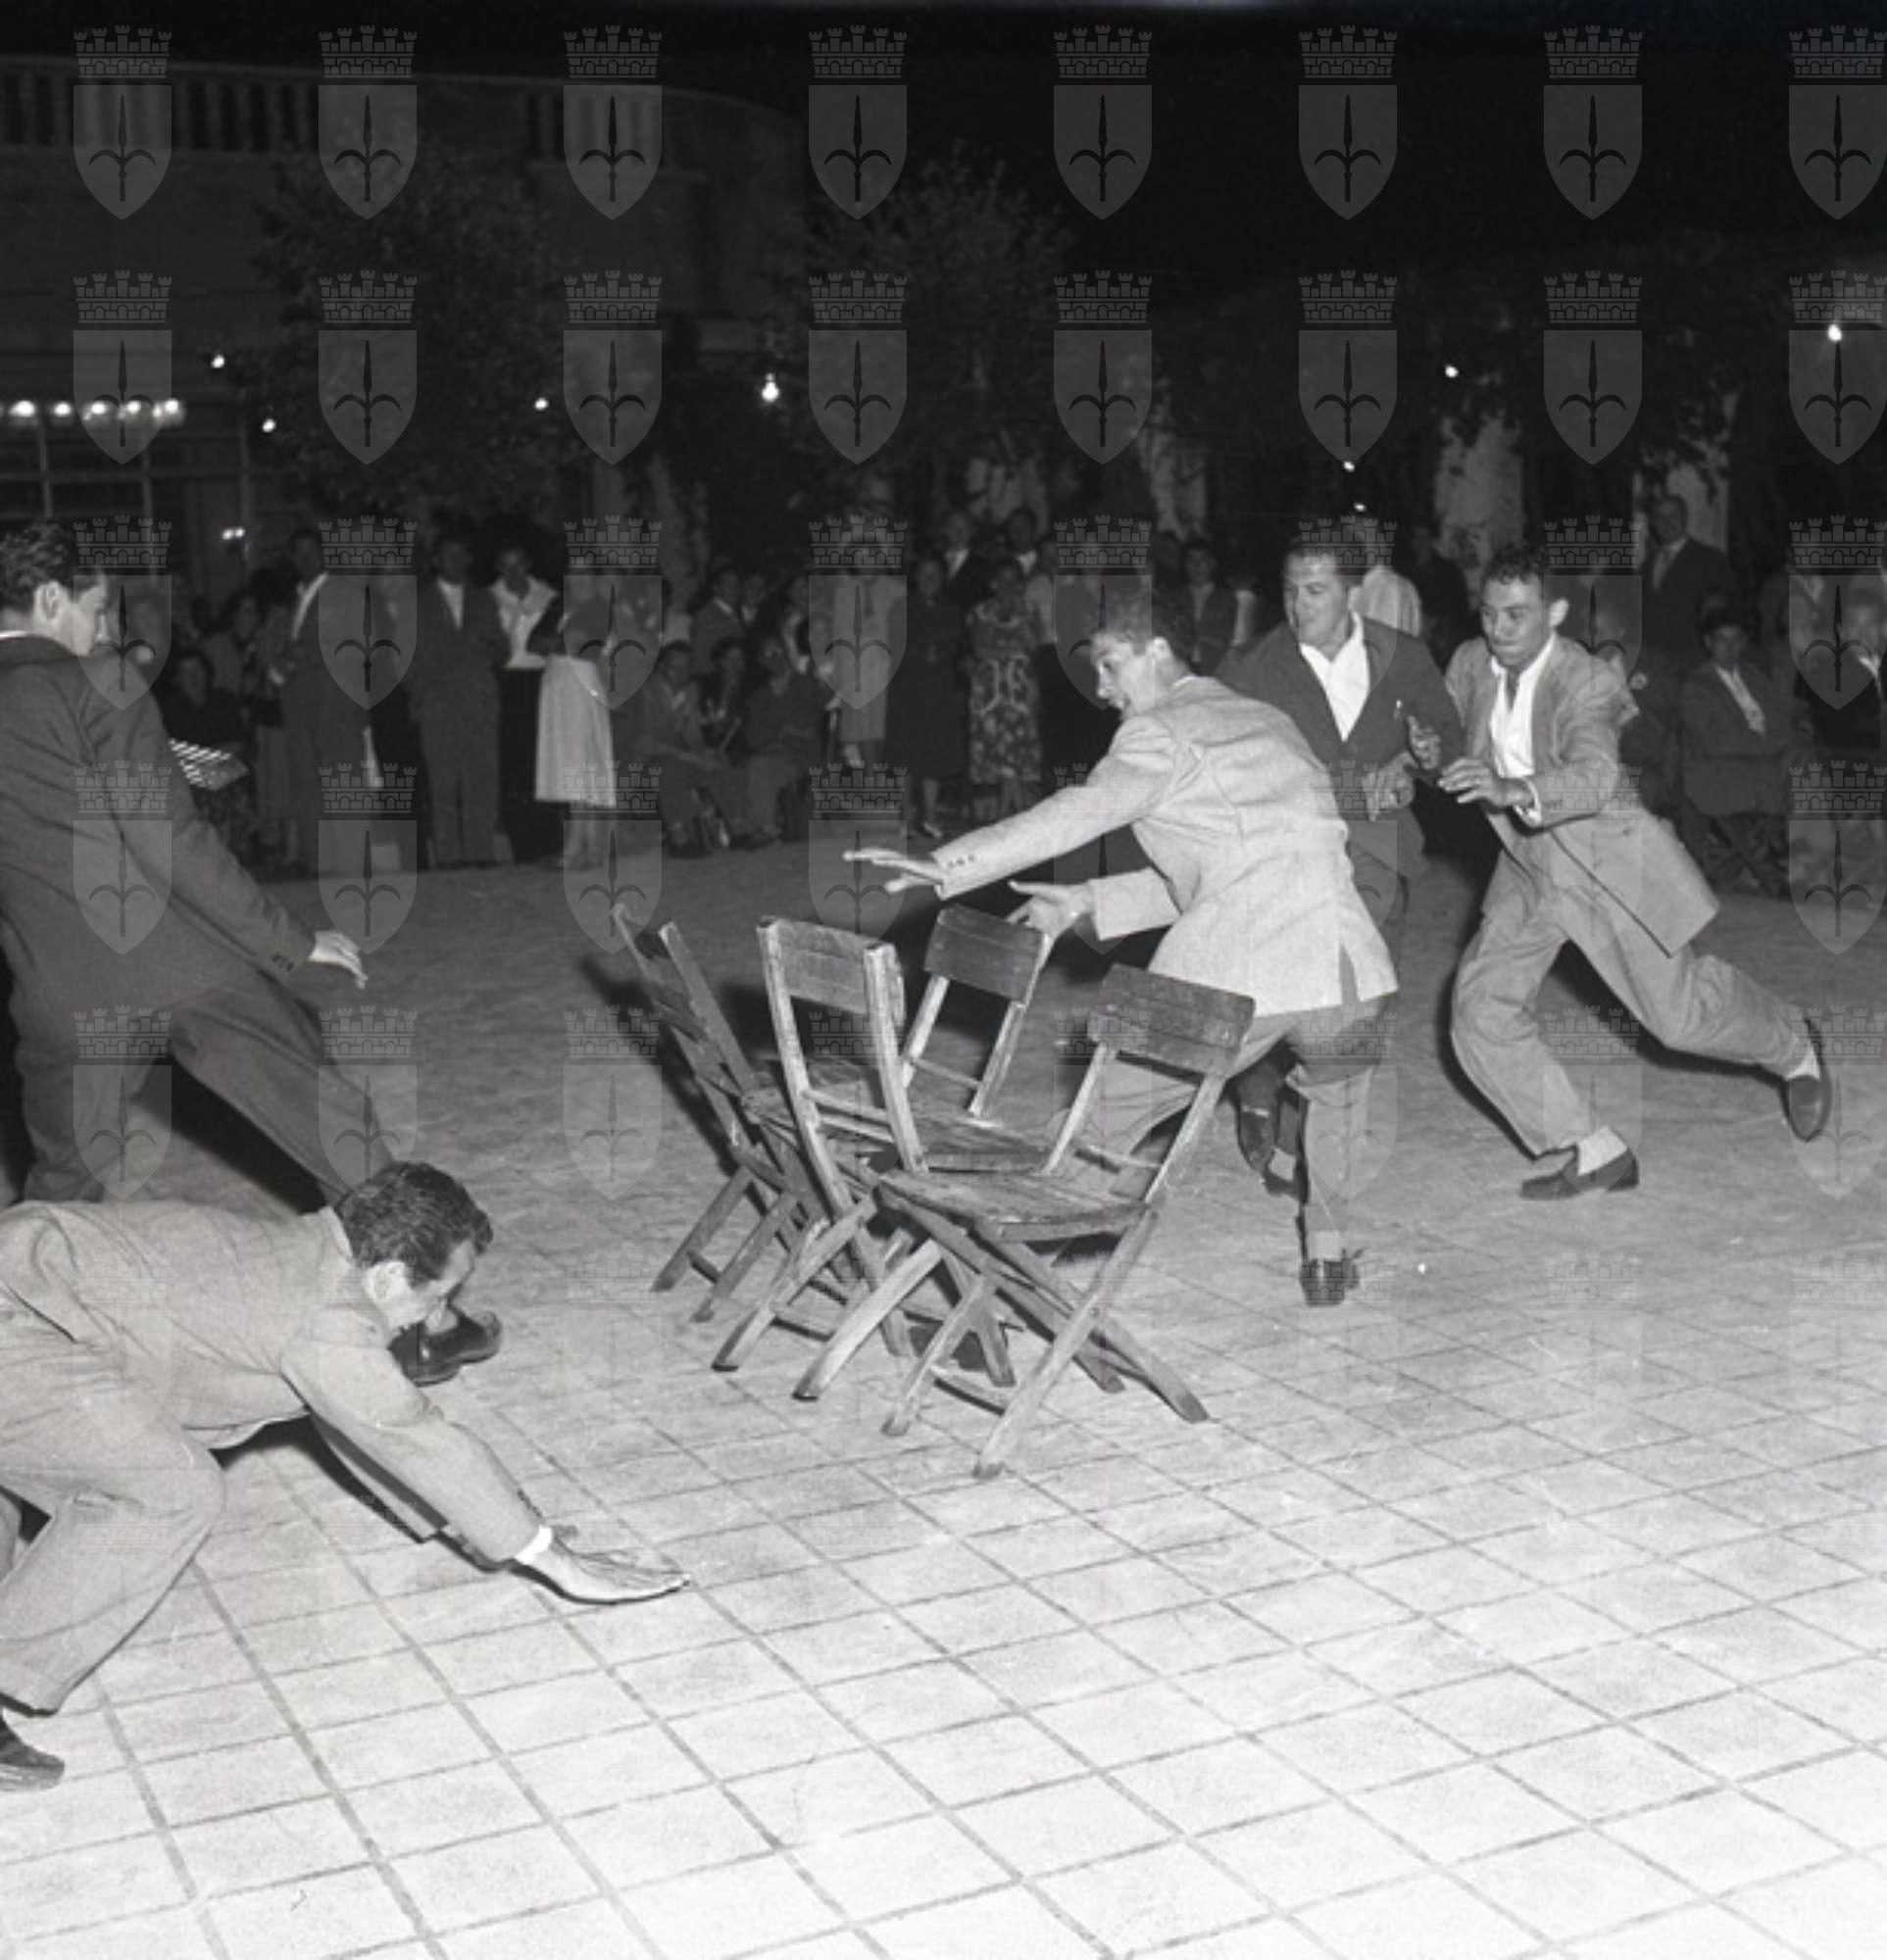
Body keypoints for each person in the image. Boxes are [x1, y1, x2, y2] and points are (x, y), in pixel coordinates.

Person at [0, 1162, 687, 1790]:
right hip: (18, 1318)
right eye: (438, 1296)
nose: (437, 1318)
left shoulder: (312, 1254)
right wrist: (555, 1561)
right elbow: (406, 1430)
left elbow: (355, 1419)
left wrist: (500, 1529)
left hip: (27, 1285)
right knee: (169, 1490)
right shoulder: (328, 1316)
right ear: (386, 1278)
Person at [0, 521, 499, 1387]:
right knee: (339, 1133)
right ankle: (420, 1328)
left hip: (59, 988)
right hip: (183, 967)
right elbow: (169, 843)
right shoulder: (98, 681)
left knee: (62, 1190)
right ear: (49, 599)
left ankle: (24, 1354)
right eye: (96, 609)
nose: (107, 630)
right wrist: (291, 941)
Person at [854, 623, 1397, 1306]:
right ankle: (1327, 1258)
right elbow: (1240, 865)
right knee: (1338, 1104)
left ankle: (996, 1277)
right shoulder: (1267, 720)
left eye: (1110, 665)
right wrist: (1086, 900)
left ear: (1158, 648)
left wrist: (949, 864)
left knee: (1104, 1121)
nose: (1102, 689)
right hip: (1347, 968)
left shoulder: (1158, 732)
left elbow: (1077, 812)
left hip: (1235, 976)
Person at [1435, 541, 1829, 1199]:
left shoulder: (1587, 679)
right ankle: (1594, 1150)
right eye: (1489, 613)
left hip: (1605, 864)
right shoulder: (1470, 662)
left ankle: (1794, 1044)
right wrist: (1426, 750)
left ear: (1555, 612)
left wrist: (1514, 789)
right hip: (1529, 867)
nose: (1498, 630)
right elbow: (1444, 735)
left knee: (1679, 1020)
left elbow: (1594, 775)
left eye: (1516, 615)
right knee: (1478, 1010)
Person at [1217, 535, 1465, 1194]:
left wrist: (1420, 758)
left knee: (1365, 1001)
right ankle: (1281, 1121)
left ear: (1353, 592)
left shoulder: (1403, 656)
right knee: (1297, 995)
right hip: (1289, 855)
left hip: (1379, 852)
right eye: (1289, 589)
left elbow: (1448, 739)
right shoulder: (1249, 667)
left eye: (1315, 590)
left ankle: (1307, 1139)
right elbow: (1223, 762)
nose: (1298, 605)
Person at [264, 527, 369, 876]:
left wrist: (295, 655)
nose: (306, 559)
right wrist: (280, 664)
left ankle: (351, 863)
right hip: (299, 702)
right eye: (299, 553)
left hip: (334, 698)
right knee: (306, 780)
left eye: (312, 552)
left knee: (342, 776)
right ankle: (319, 861)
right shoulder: (293, 599)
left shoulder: (342, 591)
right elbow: (277, 648)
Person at [1677, 600, 1797, 896]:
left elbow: (1781, 721)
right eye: (1721, 640)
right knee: (1755, 785)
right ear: (1708, 643)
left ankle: (1797, 859)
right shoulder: (1696, 686)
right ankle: (1773, 874)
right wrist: (1766, 745)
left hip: (1761, 763)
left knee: (1802, 764)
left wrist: (1773, 744)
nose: (1729, 648)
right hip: (1714, 769)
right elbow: (1716, 740)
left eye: (1736, 640)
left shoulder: (1756, 677)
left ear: (1744, 642)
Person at [410, 533, 507, 868]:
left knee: (482, 780)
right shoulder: (417, 602)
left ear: (469, 559)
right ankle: (449, 858)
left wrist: (493, 648)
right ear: (436, 560)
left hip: (478, 700)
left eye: (461, 555)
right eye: (448, 555)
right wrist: (422, 693)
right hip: (438, 702)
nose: (455, 562)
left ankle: (480, 854)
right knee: (443, 783)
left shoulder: (484, 599)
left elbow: (503, 650)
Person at [622, 641, 758, 856]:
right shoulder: (645, 692)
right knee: (669, 772)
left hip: (678, 756)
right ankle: (679, 837)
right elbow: (644, 742)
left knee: (718, 767)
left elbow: (692, 733)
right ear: (662, 668)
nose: (682, 673)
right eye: (676, 667)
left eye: (687, 667)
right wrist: (689, 756)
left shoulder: (691, 690)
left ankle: (738, 829)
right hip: (642, 761)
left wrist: (705, 753)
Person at [885, 550, 969, 839]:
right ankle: (905, 818)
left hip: (939, 690)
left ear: (943, 577)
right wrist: (922, 652)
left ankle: (930, 816)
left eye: (936, 574)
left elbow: (956, 646)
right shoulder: (901, 608)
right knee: (906, 754)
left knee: (934, 754)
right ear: (915, 577)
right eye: (924, 574)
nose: (930, 579)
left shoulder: (952, 610)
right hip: (907, 689)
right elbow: (893, 646)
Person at [490, 542, 560, 867]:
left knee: (543, 760)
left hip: (541, 680)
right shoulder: (488, 597)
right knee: (513, 764)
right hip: (505, 681)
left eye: (518, 564)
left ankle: (550, 840)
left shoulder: (548, 596)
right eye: (506, 566)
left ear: (528, 564)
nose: (513, 572)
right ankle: (523, 845)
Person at [968, 561, 1043, 819]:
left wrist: (1011, 643)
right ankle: (1012, 811)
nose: (1007, 586)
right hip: (989, 689)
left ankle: (1008, 813)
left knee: (1015, 750)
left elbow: (1033, 647)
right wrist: (1012, 650)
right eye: (1002, 579)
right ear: (993, 582)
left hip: (1020, 688)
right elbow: (980, 648)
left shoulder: (1029, 610)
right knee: (997, 750)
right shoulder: (981, 611)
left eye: (1013, 580)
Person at [741, 632, 829, 844]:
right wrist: (780, 727)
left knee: (760, 767)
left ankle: (766, 828)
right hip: (771, 752)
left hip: (801, 755)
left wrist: (777, 720)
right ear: (762, 661)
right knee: (745, 767)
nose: (777, 657)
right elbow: (754, 738)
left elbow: (804, 725)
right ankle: (747, 829)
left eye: (780, 651)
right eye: (770, 654)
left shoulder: (806, 684)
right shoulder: (760, 695)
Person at [1642, 491, 1738, 677]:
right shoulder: (1647, 565)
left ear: (1685, 518)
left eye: (1674, 515)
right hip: (1653, 663)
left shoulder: (1710, 560)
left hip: (1691, 663)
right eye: (1661, 517)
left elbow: (1723, 615)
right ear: (1653, 523)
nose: (1668, 522)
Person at [1403, 520, 1471, 670]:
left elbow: (1459, 610)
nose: (1420, 542)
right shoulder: (1405, 572)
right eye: (1416, 537)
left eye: (1424, 537)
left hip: (1441, 646)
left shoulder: (1449, 571)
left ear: (1432, 540)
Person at [1176, 536, 1241, 677]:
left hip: (1216, 670)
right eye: (1191, 560)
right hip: (1182, 670)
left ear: (1212, 564)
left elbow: (1231, 640)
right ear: (1185, 564)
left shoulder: (1227, 599)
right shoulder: (1175, 598)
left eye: (1203, 560)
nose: (1197, 566)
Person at [688, 561, 743, 683]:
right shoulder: (706, 616)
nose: (734, 588)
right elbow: (699, 660)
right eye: (728, 584)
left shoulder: (736, 614)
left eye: (737, 583)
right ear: (716, 588)